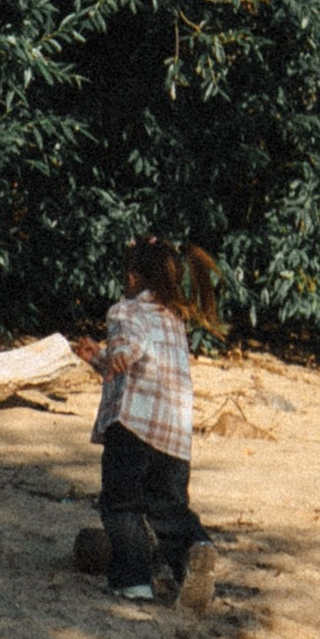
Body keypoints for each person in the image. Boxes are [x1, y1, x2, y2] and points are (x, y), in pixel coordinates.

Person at [75, 239, 222, 612]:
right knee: (169, 508)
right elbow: (141, 360)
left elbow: (131, 344)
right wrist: (101, 359)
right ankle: (194, 552)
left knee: (121, 504)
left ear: (133, 275)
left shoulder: (125, 312)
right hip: (173, 436)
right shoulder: (173, 320)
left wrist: (118, 352)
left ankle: (133, 583)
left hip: (133, 427)